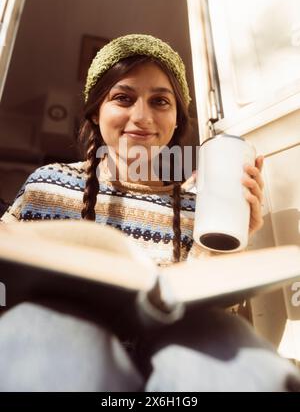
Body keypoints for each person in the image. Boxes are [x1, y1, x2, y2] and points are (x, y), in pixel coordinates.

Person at [0, 34, 299, 392]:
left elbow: (213, 317)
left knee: (225, 339)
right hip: (65, 355)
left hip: (171, 363)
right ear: (96, 111)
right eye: (123, 98)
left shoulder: (200, 207)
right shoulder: (46, 185)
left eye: (160, 101)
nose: (141, 118)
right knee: (42, 326)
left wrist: (226, 243)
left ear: (176, 119)